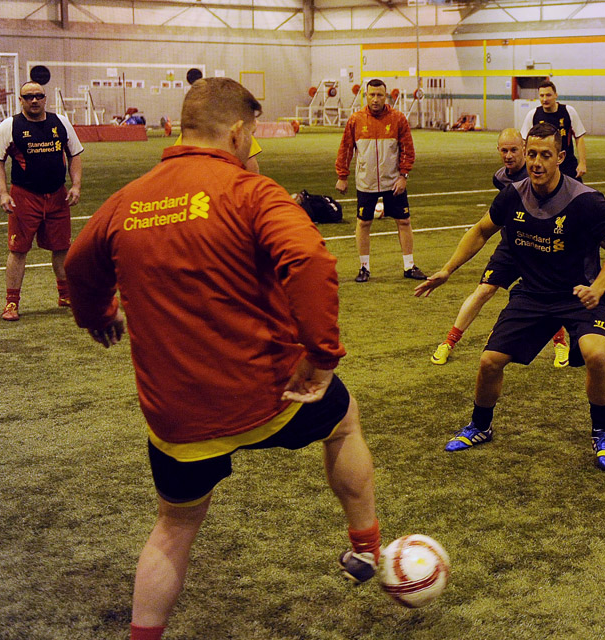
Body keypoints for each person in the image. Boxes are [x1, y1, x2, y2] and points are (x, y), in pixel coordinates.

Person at [64, 78, 381, 640]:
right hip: (271, 396)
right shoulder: (251, 193)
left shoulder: (127, 201)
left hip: (179, 417)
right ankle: (365, 548)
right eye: (252, 134)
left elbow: (80, 263)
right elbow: (309, 260)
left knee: (174, 526)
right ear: (238, 131)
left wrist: (97, 314)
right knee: (344, 419)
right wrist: (322, 354)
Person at [415, 123, 605, 472]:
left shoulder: (586, 201)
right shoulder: (512, 195)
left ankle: (602, 433)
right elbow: (481, 230)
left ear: (560, 157)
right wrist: (447, 270)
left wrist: (599, 287)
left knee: (596, 354)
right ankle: (480, 426)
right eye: (531, 154)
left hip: (580, 296)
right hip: (532, 295)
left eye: (545, 155)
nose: (536, 162)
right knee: (488, 362)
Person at [430, 128, 570, 368]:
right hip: (511, 244)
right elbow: (484, 228)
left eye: (514, 150)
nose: (509, 155)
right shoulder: (500, 178)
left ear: (524, 150)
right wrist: (448, 269)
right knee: (484, 290)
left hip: (539, 246)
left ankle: (560, 344)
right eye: (504, 150)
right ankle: (449, 342)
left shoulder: (545, 175)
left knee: (548, 293)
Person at [0, 81, 84, 321]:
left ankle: (65, 295)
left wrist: (76, 185)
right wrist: (3, 193)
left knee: (62, 247)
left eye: (38, 96)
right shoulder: (10, 126)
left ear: (45, 98)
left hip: (57, 195)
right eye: (28, 96)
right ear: (20, 99)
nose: (34, 100)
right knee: (18, 250)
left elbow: (74, 155)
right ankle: (11, 303)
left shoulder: (60, 123)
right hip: (24, 197)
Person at [335, 78, 426, 283]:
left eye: (379, 95)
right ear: (365, 95)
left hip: (393, 182)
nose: (375, 99)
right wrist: (342, 176)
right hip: (365, 183)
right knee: (364, 223)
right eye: (371, 95)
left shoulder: (398, 119)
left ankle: (409, 266)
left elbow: (407, 150)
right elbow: (346, 149)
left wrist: (403, 176)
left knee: (404, 221)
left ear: (386, 96)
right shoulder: (355, 120)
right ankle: (364, 268)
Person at [520, 79, 587, 180]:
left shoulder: (568, 111)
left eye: (548, 95)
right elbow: (524, 141)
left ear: (556, 95)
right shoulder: (533, 115)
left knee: (576, 194)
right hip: (543, 166)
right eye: (541, 96)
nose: (545, 99)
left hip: (567, 165)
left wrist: (582, 163)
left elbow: (579, 137)